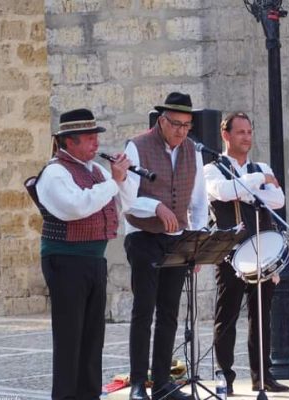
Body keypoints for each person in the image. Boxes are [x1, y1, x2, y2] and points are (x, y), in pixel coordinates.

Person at [30, 108, 136, 399]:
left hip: (93, 260)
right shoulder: (55, 173)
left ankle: (89, 395)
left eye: (95, 137)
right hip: (65, 260)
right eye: (89, 138)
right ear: (69, 142)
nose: (96, 144)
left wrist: (123, 179)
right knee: (69, 336)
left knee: (92, 336)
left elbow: (125, 203)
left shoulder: (97, 171)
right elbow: (76, 207)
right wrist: (113, 182)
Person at [123, 92, 208, 400]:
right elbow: (128, 199)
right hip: (142, 235)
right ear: (161, 121)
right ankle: (136, 383)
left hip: (177, 240)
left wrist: (197, 243)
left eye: (187, 125)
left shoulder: (193, 151)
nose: (181, 131)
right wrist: (156, 207)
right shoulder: (137, 146)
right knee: (144, 309)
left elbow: (199, 202)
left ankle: (161, 382)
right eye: (175, 124)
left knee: (170, 312)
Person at [203, 111, 289, 394]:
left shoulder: (260, 165)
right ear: (226, 135)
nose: (247, 137)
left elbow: (278, 200)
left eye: (250, 132)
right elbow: (222, 192)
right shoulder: (212, 169)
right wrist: (258, 182)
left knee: (261, 317)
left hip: (261, 252)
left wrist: (249, 188)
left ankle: (262, 376)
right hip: (229, 253)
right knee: (226, 316)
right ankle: (224, 377)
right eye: (240, 132)